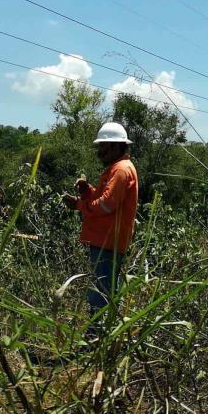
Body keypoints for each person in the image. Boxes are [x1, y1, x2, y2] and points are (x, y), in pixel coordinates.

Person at [62, 122, 139, 323]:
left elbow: (106, 205)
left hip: (108, 241)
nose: (99, 152)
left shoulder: (121, 170)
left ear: (115, 146)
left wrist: (79, 205)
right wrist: (87, 191)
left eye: (102, 147)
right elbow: (103, 198)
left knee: (101, 292)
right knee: (102, 289)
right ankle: (99, 337)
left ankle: (95, 338)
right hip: (104, 240)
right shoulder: (117, 169)